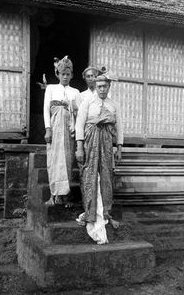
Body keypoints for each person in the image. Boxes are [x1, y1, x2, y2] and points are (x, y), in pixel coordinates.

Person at [75, 73, 123, 244]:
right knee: (90, 177)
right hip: (90, 143)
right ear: (95, 86)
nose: (102, 89)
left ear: (109, 87)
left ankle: (105, 212)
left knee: (106, 177)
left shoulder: (113, 104)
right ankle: (90, 212)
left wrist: (119, 147)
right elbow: (79, 124)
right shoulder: (88, 102)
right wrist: (79, 147)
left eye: (105, 86)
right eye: (99, 86)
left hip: (107, 144)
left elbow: (119, 127)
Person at [43, 55, 82, 207]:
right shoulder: (51, 89)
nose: (65, 77)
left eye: (68, 74)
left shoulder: (76, 92)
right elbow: (46, 110)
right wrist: (48, 129)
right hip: (54, 129)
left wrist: (71, 106)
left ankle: (65, 196)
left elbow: (80, 115)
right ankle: (54, 195)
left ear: (72, 75)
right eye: (62, 74)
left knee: (67, 162)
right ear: (57, 74)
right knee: (53, 161)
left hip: (69, 131)